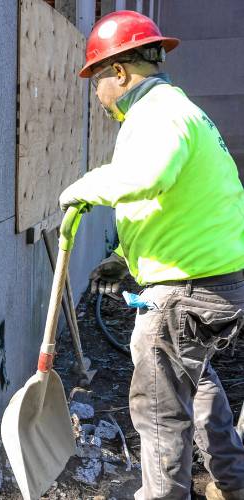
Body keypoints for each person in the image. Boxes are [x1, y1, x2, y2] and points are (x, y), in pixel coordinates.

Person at [59, 11, 244, 500]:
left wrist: (82, 188)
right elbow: (170, 202)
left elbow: (149, 176)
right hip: (214, 282)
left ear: (118, 73)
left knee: (158, 410)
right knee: (195, 381)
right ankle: (234, 482)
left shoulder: (157, 114)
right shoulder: (178, 110)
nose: (96, 94)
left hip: (186, 290)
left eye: (96, 79)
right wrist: (125, 255)